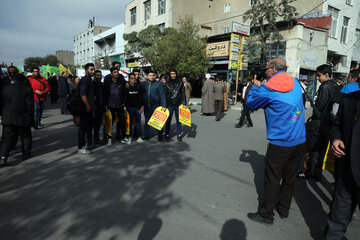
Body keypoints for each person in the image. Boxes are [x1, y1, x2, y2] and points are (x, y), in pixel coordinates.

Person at [246, 58, 306, 225]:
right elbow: (295, 107)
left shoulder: (268, 88)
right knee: (290, 178)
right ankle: (284, 209)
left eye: (266, 69)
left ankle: (266, 215)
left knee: (272, 179)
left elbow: (250, 103)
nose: (265, 72)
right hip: (300, 140)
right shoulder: (295, 82)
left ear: (272, 69)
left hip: (280, 143)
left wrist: (255, 87)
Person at [322, 85, 360, 239]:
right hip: (346, 169)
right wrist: (336, 139)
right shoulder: (349, 99)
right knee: (338, 217)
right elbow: (337, 126)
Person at [298, 64, 339, 181]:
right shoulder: (336, 85)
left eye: (319, 75)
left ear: (326, 75)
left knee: (309, 148)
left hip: (318, 123)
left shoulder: (325, 86)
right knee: (321, 151)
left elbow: (319, 106)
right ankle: (317, 173)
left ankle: (306, 171)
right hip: (328, 123)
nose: (317, 78)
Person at [0, 73, 34, 166]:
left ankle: (3, 157)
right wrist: (31, 117)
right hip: (23, 117)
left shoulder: (5, 89)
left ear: (14, 80)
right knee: (25, 136)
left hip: (8, 118)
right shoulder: (28, 89)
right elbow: (30, 106)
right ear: (24, 80)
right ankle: (26, 153)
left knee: (6, 139)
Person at [103, 67, 128, 146]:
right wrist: (105, 104)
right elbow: (105, 94)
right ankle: (109, 138)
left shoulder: (121, 82)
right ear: (111, 74)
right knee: (109, 122)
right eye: (114, 72)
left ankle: (123, 137)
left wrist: (124, 102)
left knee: (122, 122)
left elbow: (125, 92)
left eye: (117, 72)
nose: (116, 73)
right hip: (110, 105)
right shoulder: (107, 82)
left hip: (120, 105)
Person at [141, 70, 167, 142]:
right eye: (150, 75)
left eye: (153, 75)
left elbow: (162, 95)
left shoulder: (159, 84)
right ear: (147, 76)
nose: (151, 77)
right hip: (147, 107)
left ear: (155, 76)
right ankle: (146, 136)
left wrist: (164, 105)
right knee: (147, 122)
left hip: (156, 107)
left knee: (158, 123)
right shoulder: (144, 84)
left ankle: (160, 137)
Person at [77, 63, 96, 154]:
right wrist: (88, 106)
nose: (93, 71)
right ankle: (81, 147)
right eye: (91, 69)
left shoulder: (89, 80)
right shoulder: (85, 80)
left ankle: (84, 145)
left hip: (89, 108)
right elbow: (83, 94)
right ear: (86, 70)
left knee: (86, 128)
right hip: (85, 108)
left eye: (93, 69)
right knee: (83, 128)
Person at [164, 68, 186, 142]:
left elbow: (183, 93)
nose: (173, 75)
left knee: (179, 120)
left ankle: (179, 134)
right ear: (169, 75)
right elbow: (165, 94)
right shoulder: (167, 83)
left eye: (174, 73)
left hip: (178, 104)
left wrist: (184, 103)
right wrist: (164, 105)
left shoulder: (180, 82)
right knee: (168, 120)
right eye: (171, 74)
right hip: (169, 104)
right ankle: (167, 134)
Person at [126, 73, 145, 143]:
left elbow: (141, 98)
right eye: (132, 78)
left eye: (134, 78)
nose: (133, 80)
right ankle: (129, 137)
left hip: (137, 109)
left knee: (138, 124)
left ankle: (139, 137)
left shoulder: (138, 87)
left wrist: (142, 106)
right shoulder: (126, 87)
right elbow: (124, 98)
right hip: (129, 108)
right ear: (129, 79)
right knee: (129, 124)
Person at [87, 70, 104, 146]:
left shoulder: (101, 84)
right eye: (97, 75)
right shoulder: (92, 85)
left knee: (97, 126)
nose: (99, 77)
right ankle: (89, 142)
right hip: (93, 109)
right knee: (90, 127)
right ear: (94, 76)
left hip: (100, 108)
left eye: (100, 75)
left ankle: (96, 141)